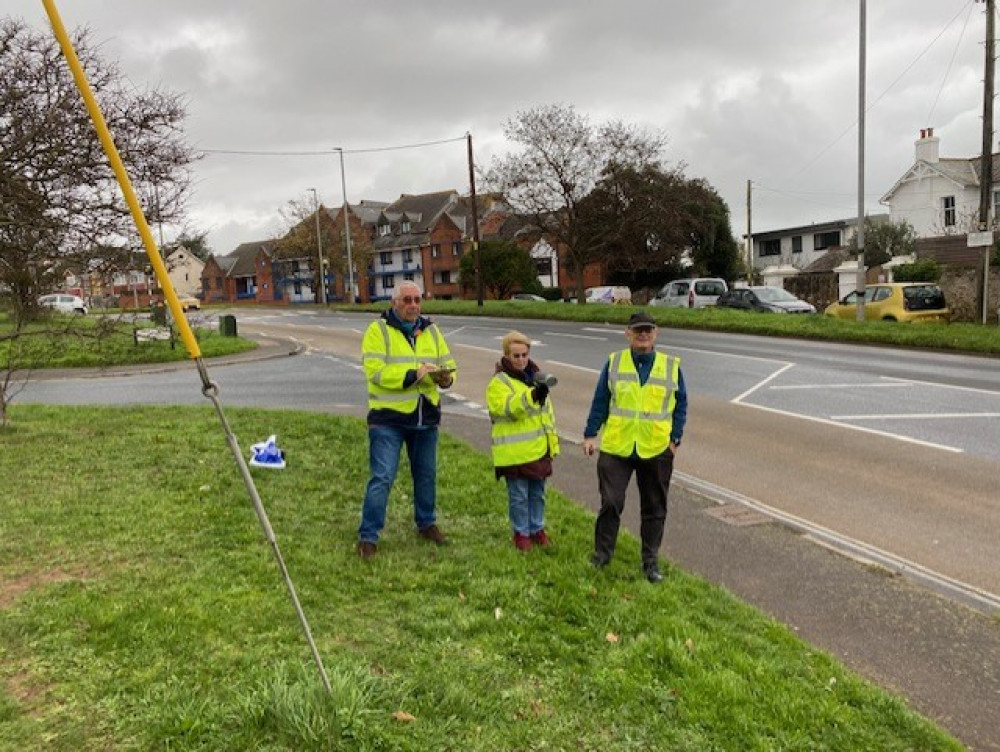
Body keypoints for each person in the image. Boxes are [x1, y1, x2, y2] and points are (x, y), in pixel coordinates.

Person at [582, 311, 687, 583]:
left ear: (656, 333)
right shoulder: (615, 362)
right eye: (638, 330)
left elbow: (681, 404)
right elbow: (601, 399)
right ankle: (602, 554)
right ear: (628, 333)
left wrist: (675, 439)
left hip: (656, 448)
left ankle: (650, 562)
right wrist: (591, 433)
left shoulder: (671, 365)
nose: (643, 334)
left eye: (648, 330)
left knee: (654, 507)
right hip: (618, 447)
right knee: (611, 502)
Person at [357, 282, 457, 558]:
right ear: (395, 303)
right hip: (388, 419)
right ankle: (368, 536)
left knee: (426, 475)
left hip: (425, 416)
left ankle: (426, 523)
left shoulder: (431, 331)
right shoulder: (378, 331)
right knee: (383, 477)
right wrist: (414, 375)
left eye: (417, 300)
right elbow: (375, 372)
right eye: (407, 300)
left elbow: (449, 363)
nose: (413, 305)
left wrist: (447, 378)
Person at [486, 331, 560, 551]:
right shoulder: (499, 383)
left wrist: (552, 445)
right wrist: (532, 397)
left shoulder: (537, 378)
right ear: (506, 356)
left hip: (538, 450)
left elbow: (547, 416)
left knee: (538, 494)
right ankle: (521, 533)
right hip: (514, 452)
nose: (520, 360)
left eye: (524, 355)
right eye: (515, 356)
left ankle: (537, 529)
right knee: (519, 496)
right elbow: (507, 408)